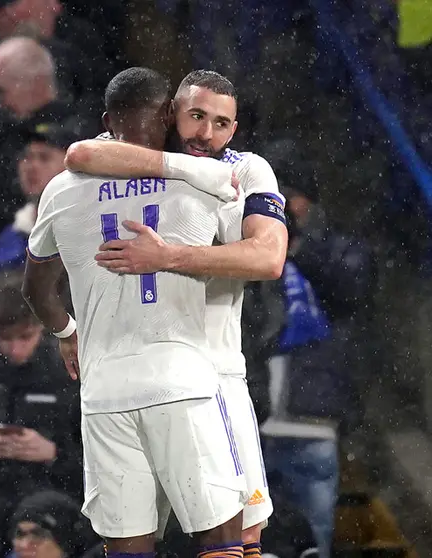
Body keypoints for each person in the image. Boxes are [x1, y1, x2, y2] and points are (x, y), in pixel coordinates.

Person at [22, 67, 247, 558]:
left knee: (127, 548)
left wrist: (65, 331)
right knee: (223, 540)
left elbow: (35, 287)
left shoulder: (60, 190)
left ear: (108, 121)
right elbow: (254, 257)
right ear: (169, 115)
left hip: (104, 390)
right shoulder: (206, 181)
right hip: (183, 380)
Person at [63, 70, 289, 558]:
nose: (206, 134)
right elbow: (78, 154)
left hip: (216, 372)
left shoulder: (246, 170)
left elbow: (268, 258)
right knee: (130, 541)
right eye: (196, 116)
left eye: (221, 123)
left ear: (235, 129)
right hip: (136, 372)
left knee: (242, 540)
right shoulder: (141, 159)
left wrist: (170, 258)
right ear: (171, 114)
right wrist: (66, 329)